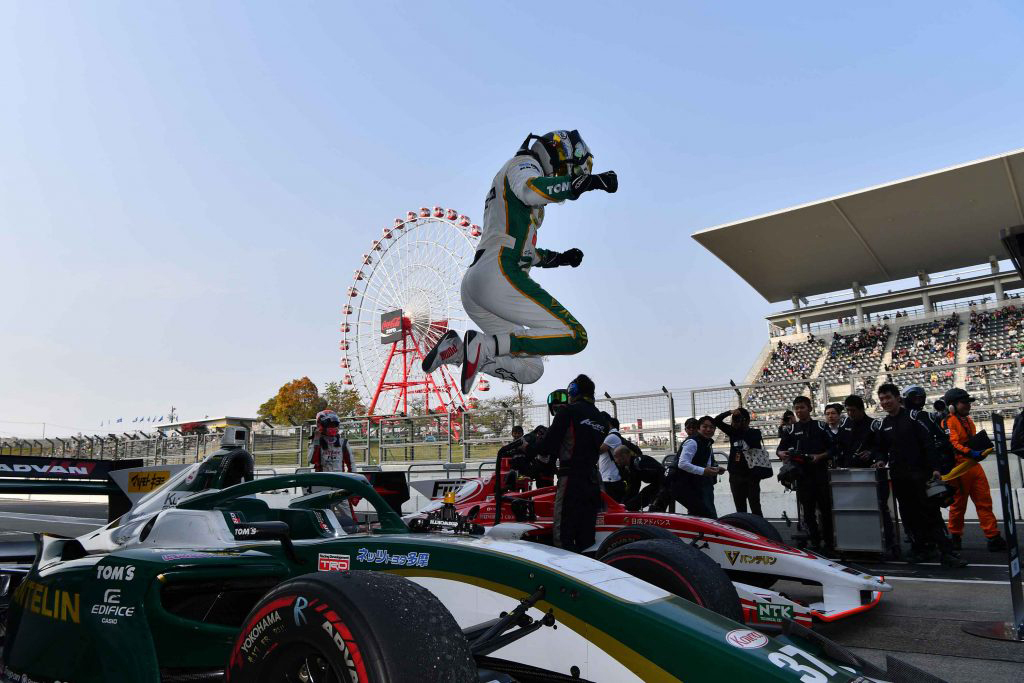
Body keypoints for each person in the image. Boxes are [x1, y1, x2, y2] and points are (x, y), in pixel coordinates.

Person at [421, 130, 618, 392]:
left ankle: (458, 350)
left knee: (530, 369)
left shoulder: (514, 185)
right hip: (499, 273)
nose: (562, 177)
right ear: (557, 155)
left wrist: (559, 258)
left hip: (479, 283)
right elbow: (530, 190)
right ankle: (485, 346)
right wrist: (583, 184)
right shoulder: (522, 165)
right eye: (566, 171)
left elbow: (525, 250)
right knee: (574, 336)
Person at [871, 384, 965, 567]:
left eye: (888, 397)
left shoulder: (914, 417)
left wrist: (936, 468)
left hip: (922, 475)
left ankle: (947, 552)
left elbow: (929, 444)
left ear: (898, 398)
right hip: (899, 477)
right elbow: (880, 449)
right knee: (908, 516)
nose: (885, 402)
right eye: (882, 399)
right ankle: (920, 549)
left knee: (931, 513)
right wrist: (880, 460)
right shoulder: (883, 425)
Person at [525, 374, 608, 552]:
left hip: (570, 479)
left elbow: (547, 446)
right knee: (586, 536)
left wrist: (527, 448)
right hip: (592, 480)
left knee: (563, 533)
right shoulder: (601, 418)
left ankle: (563, 566)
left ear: (573, 391)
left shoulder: (567, 411)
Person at [942, 388, 1006, 552]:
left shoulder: (968, 420)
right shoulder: (948, 421)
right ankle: (955, 536)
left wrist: (979, 450)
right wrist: (971, 452)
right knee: (958, 505)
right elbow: (953, 444)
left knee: (984, 502)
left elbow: (969, 442)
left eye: (968, 402)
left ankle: (993, 536)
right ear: (952, 406)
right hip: (959, 468)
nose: (968, 405)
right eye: (964, 403)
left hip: (974, 466)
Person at [837, 395, 896, 556]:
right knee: (854, 511)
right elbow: (839, 446)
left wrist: (871, 454)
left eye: (853, 410)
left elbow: (882, 448)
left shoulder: (874, 425)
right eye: (848, 410)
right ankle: (858, 543)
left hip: (872, 475)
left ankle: (889, 542)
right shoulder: (845, 424)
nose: (850, 413)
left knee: (880, 509)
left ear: (861, 409)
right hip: (850, 475)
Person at [777, 397, 834, 553]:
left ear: (810, 408)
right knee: (808, 512)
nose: (799, 410)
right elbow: (780, 449)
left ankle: (829, 542)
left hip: (820, 474)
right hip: (802, 476)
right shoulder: (791, 429)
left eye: (802, 407)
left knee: (826, 510)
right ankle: (815, 541)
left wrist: (820, 456)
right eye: (797, 408)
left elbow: (833, 449)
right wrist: (781, 453)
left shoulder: (821, 426)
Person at [713, 407, 765, 516]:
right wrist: (730, 412)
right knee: (740, 509)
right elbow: (716, 420)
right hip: (735, 475)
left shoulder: (755, 433)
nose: (735, 422)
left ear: (747, 420)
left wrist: (742, 427)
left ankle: (759, 526)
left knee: (755, 507)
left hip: (752, 475)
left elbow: (753, 444)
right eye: (734, 419)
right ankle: (743, 526)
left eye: (738, 419)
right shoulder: (733, 432)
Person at [671, 416, 724, 517]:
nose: (708, 429)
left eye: (711, 427)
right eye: (705, 426)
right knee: (705, 514)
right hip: (691, 484)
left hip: (701, 483)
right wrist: (704, 471)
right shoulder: (692, 442)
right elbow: (682, 464)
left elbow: (706, 464)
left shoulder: (706, 442)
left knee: (703, 514)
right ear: (699, 428)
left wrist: (715, 469)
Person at [612, 444, 665, 511]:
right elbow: (633, 488)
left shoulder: (639, 462)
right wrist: (624, 504)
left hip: (666, 483)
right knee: (638, 500)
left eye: (616, 457)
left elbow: (661, 474)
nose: (615, 461)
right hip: (658, 484)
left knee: (651, 503)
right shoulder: (632, 467)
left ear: (624, 456)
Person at [308, 410, 353, 474]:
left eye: (334, 425)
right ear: (320, 425)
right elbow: (312, 461)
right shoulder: (316, 442)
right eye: (329, 425)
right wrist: (316, 440)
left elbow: (351, 464)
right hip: (322, 478)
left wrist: (352, 477)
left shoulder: (343, 442)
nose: (333, 427)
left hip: (339, 477)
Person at [598, 416, 626, 502]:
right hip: (608, 478)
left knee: (611, 505)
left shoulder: (612, 437)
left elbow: (598, 450)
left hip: (611, 479)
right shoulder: (611, 436)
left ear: (609, 424)